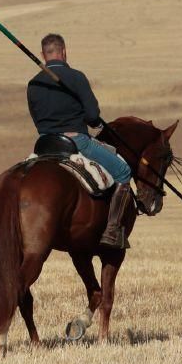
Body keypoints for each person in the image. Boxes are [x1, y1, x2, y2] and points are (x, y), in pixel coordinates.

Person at [26, 33, 133, 249]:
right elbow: (93, 116)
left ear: (43, 55)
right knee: (123, 172)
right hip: (77, 142)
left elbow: (37, 118)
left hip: (45, 144)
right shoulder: (76, 77)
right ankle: (112, 230)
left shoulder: (34, 84)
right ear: (64, 51)